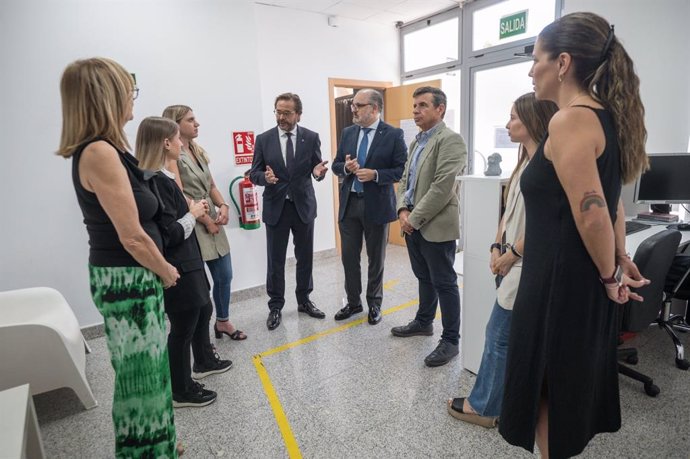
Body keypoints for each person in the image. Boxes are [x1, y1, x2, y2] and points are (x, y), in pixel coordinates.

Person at [498, 13, 650, 459]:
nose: (531, 70)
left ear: (562, 62)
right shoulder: (604, 117)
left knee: (550, 389)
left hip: (559, 283)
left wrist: (609, 275)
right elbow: (613, 203)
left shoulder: (571, 121)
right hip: (573, 278)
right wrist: (619, 259)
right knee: (560, 387)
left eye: (536, 60)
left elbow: (594, 213)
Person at [57, 58, 180, 457]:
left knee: (151, 372)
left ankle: (161, 443)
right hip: (128, 280)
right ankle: (144, 453)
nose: (133, 100)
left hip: (131, 277)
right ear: (107, 97)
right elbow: (131, 236)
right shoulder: (99, 153)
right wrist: (165, 271)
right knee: (139, 379)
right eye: (130, 92)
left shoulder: (112, 150)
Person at [447, 93, 558, 427]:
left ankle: (484, 408)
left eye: (513, 117)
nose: (508, 124)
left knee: (498, 337)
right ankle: (503, 398)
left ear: (533, 121)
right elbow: (508, 212)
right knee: (504, 336)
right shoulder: (525, 160)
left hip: (525, 264)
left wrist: (512, 255)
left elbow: (546, 221)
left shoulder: (548, 166)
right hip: (510, 258)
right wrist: (497, 244)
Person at [135, 117, 233, 408]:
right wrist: (194, 212)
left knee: (201, 311)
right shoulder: (156, 181)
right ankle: (181, 390)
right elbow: (170, 233)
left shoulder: (162, 177)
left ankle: (197, 367)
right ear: (166, 142)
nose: (182, 144)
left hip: (189, 260)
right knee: (182, 329)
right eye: (177, 138)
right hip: (178, 263)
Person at [391, 86, 467, 367]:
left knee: (444, 282)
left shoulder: (451, 141)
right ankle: (424, 322)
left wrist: (414, 217)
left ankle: (450, 340)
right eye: (414, 106)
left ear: (440, 109)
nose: (415, 111)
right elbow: (405, 179)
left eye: (422, 105)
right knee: (424, 277)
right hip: (411, 222)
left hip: (434, 225)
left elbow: (442, 187)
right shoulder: (417, 142)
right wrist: (401, 209)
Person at [162, 105, 246, 341]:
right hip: (193, 223)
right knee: (200, 286)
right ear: (175, 125)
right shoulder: (172, 155)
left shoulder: (197, 151)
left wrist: (224, 206)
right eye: (190, 120)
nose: (196, 123)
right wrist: (207, 220)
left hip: (211, 220)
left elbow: (211, 186)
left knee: (224, 275)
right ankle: (201, 340)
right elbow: (179, 193)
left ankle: (223, 322)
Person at [249, 92, 329, 330]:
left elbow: (317, 168)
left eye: (286, 113)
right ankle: (275, 305)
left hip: (303, 206)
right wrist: (265, 177)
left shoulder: (311, 138)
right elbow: (254, 173)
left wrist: (318, 174)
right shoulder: (264, 140)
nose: (281, 117)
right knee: (276, 260)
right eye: (278, 112)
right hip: (277, 207)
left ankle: (304, 300)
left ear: (298, 115)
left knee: (305, 257)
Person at [331, 89, 407, 325]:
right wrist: (346, 168)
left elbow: (401, 170)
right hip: (349, 205)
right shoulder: (348, 133)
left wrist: (375, 174)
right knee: (349, 258)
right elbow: (335, 165)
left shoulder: (393, 134)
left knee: (376, 259)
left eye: (358, 105)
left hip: (378, 206)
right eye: (353, 105)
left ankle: (374, 304)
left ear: (374, 108)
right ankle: (353, 303)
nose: (353, 109)